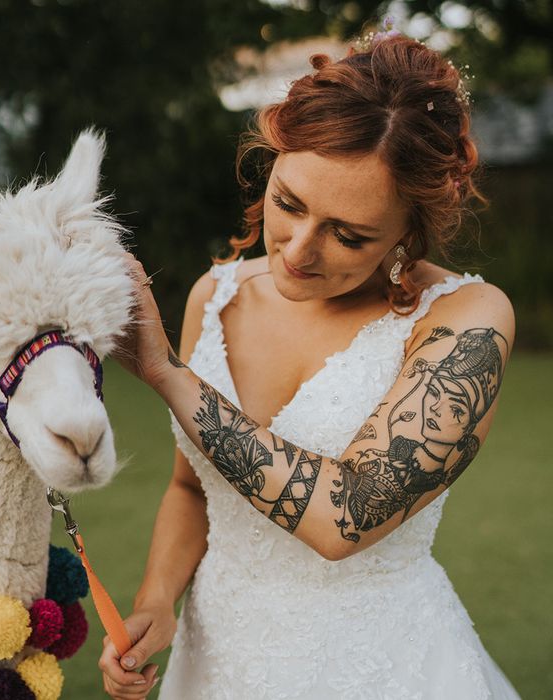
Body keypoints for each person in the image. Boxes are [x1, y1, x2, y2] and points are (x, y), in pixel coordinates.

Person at [100, 30, 521, 700]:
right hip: (218, 660)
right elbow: (192, 488)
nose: (298, 250)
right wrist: (156, 600)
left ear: (411, 229)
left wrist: (168, 374)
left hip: (377, 668)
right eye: (288, 202)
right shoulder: (218, 295)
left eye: (348, 234)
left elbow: (346, 514)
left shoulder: (467, 320)